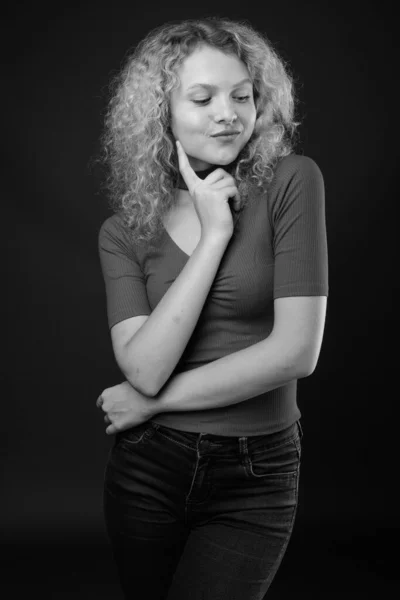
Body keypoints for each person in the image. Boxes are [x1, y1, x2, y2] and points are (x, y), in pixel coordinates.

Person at [96, 16, 328, 600]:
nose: (228, 112)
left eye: (242, 96)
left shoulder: (292, 182)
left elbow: (296, 352)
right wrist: (214, 233)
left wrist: (152, 406)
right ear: (162, 115)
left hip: (257, 471)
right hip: (148, 469)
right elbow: (143, 368)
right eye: (202, 98)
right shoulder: (124, 232)